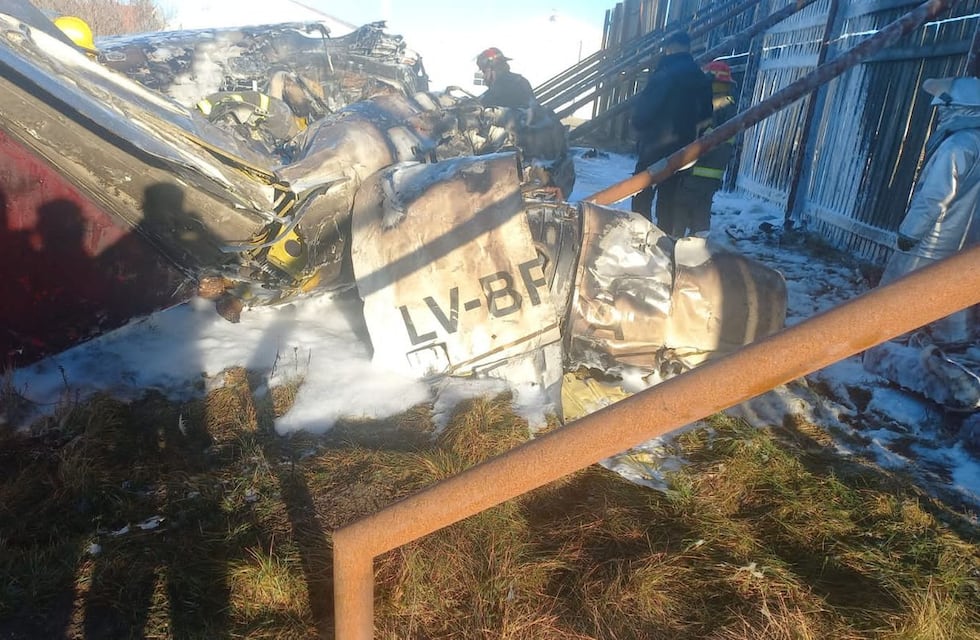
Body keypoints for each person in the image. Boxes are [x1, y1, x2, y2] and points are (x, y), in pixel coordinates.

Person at [862, 76, 980, 411]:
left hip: (932, 241)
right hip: (966, 250)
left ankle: (919, 370)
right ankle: (954, 357)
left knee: (890, 317)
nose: (941, 113)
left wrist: (910, 232)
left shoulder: (957, 145)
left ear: (960, 108)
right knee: (953, 312)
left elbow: (933, 197)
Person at [629, 31, 712, 233]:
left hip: (655, 146)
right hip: (683, 149)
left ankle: (639, 235)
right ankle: (663, 238)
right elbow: (706, 115)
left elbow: (646, 109)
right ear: (688, 49)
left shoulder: (664, 73)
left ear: (670, 48)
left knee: (641, 191)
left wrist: (638, 125)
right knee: (669, 197)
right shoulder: (701, 78)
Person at [670, 59, 738, 237]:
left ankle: (674, 242)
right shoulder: (730, 105)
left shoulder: (714, 105)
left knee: (681, 205)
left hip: (697, 168)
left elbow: (702, 137)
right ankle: (698, 245)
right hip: (714, 173)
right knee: (702, 209)